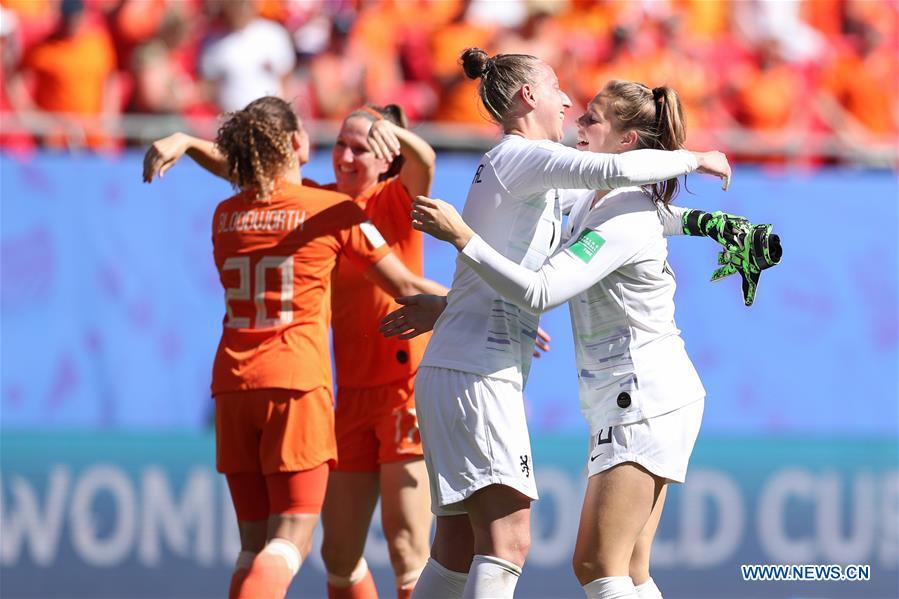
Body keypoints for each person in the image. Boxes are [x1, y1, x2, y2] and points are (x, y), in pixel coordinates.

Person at [389, 48, 731, 599]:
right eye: (561, 91)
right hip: (483, 371)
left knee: (479, 548)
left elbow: (632, 204)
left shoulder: (557, 182)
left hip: (597, 386)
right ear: (529, 96)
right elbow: (615, 183)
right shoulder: (531, 162)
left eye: (590, 116)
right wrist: (696, 160)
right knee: (516, 545)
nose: (571, 107)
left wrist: (719, 221)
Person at [144, 104, 456, 599]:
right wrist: (487, 307)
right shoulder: (326, 206)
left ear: (387, 157)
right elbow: (406, 284)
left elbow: (426, 164)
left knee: (403, 547)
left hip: (398, 390)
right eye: (341, 144)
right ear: (298, 146)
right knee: (333, 555)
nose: (346, 156)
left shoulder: (386, 199)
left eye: (362, 147)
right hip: (328, 392)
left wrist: (185, 141)